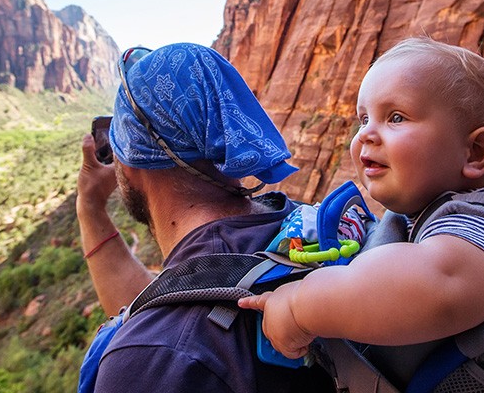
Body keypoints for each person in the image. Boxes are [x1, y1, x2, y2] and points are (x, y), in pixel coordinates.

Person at [238, 37, 484, 360]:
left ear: (475, 153)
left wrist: (300, 305)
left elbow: (435, 288)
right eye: (364, 119)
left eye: (396, 117)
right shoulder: (447, 210)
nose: (365, 133)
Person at [75, 43, 334, 393]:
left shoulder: (146, 364)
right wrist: (89, 209)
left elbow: (169, 335)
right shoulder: (294, 227)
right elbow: (164, 301)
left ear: (131, 164)